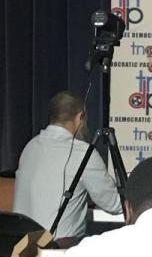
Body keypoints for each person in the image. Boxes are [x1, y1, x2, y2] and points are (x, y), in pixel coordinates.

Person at [12, 91, 122, 241]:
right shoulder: (83, 153)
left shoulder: (30, 146)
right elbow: (114, 204)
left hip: (22, 247)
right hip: (60, 249)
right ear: (79, 118)